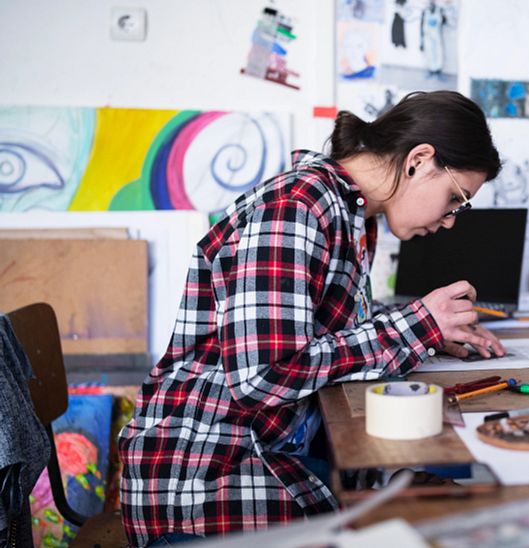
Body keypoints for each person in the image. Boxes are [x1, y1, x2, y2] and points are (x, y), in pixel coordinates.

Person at [118, 90, 505, 546]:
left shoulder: (355, 215)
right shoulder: (297, 206)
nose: (450, 220)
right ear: (419, 160)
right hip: (211, 477)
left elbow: (325, 328)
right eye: (456, 198)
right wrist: (417, 324)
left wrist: (429, 332)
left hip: (275, 453)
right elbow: (263, 374)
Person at [420, 0, 447, 79]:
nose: (431, 0)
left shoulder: (439, 10)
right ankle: (431, 71)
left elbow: (443, 22)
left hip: (437, 36)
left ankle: (438, 71)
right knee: (429, 53)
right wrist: (421, 40)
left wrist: (443, 17)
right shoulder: (425, 11)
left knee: (439, 53)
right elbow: (421, 25)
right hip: (428, 36)